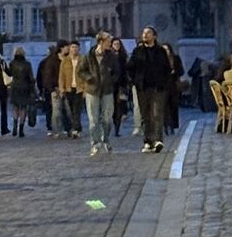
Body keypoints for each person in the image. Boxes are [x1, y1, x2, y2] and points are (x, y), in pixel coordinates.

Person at [127, 26, 172, 154]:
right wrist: (134, 81)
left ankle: (157, 140)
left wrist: (165, 82)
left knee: (157, 114)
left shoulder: (160, 51)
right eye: (144, 33)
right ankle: (148, 141)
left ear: (154, 36)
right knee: (145, 115)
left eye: (148, 33)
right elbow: (130, 67)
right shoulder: (138, 51)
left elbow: (167, 68)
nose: (145, 35)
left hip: (158, 87)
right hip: (142, 87)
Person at [78, 33, 119, 155]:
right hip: (92, 90)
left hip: (107, 90)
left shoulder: (111, 56)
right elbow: (80, 71)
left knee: (107, 118)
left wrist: (111, 80)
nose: (110, 43)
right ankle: (95, 143)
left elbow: (117, 72)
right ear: (101, 42)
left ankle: (105, 139)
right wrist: (89, 78)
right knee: (93, 119)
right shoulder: (88, 56)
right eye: (108, 41)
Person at [7, 46, 35, 136]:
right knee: (23, 108)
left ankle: (14, 127)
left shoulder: (12, 63)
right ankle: (21, 130)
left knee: (15, 108)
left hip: (15, 86)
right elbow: (31, 77)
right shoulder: (27, 64)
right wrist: (33, 88)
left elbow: (9, 74)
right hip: (25, 87)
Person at [37, 44, 62, 137]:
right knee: (57, 108)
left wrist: (40, 89)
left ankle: (49, 127)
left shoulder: (43, 62)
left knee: (48, 108)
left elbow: (39, 77)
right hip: (55, 87)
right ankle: (57, 126)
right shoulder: (58, 62)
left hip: (47, 88)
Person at [162, 42, 185, 133]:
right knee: (164, 107)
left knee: (173, 106)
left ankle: (173, 125)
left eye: (167, 49)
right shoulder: (159, 59)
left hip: (173, 85)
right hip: (163, 85)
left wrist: (175, 72)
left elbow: (181, 71)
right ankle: (165, 125)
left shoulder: (175, 58)